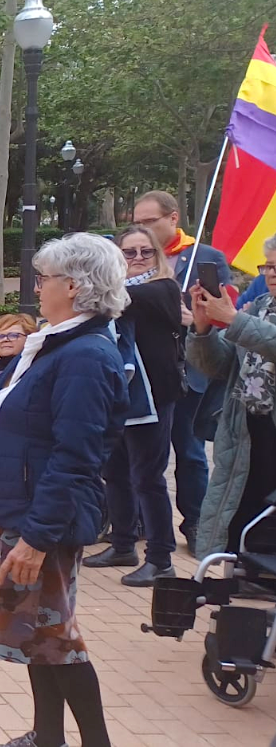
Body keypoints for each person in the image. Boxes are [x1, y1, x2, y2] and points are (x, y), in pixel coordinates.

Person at [0, 232, 125, 747]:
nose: (35, 288)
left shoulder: (85, 356)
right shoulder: (52, 345)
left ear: (73, 286)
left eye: (42, 278)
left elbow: (76, 457)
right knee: (38, 638)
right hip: (25, 512)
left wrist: (36, 538)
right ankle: (47, 737)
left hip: (44, 521)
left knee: (57, 640)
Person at [83, 225, 183, 587]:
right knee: (115, 472)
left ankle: (161, 559)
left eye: (146, 251)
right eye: (129, 252)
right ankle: (123, 544)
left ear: (157, 255)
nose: (138, 258)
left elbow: (122, 300)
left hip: (153, 399)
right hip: (117, 397)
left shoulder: (164, 288)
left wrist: (90, 286)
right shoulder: (113, 293)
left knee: (148, 478)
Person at [132, 189, 231, 552]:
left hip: (189, 370)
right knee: (140, 454)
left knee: (188, 452)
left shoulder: (204, 257)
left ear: (173, 218)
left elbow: (225, 315)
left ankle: (196, 524)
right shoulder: (132, 256)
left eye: (149, 221)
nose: (142, 228)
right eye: (137, 222)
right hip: (145, 368)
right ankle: (137, 522)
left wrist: (195, 320)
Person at [188, 234, 276, 560]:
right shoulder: (260, 306)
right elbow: (218, 366)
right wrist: (202, 329)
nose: (270, 274)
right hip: (247, 433)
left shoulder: (246, 315)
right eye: (267, 266)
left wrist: (236, 320)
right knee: (243, 520)